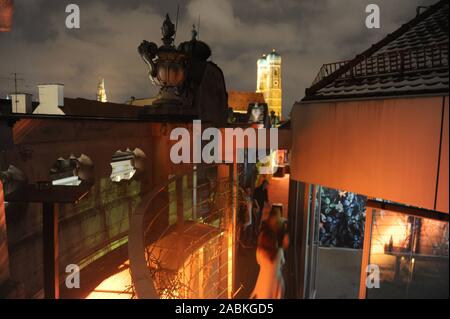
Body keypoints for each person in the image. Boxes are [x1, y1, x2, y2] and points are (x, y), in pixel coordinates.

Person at [250, 226, 285, 299]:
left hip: (262, 282)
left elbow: (259, 262)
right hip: (276, 284)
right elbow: (282, 263)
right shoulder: (279, 252)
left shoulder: (259, 252)